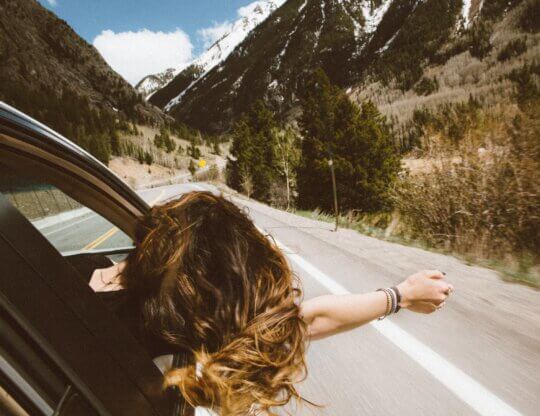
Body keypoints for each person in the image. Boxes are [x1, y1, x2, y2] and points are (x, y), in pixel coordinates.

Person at [84, 191, 453, 415]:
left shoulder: (71, 276)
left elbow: (306, 319)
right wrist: (400, 296)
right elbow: (308, 319)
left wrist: (400, 296)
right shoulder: (176, 330)